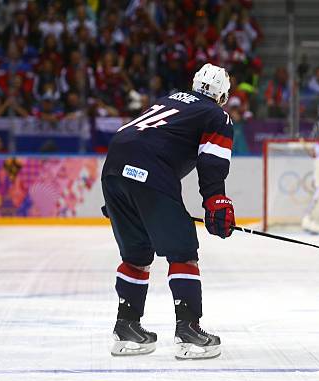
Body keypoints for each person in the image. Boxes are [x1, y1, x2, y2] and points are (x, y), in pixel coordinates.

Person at [101, 63, 235, 360]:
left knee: (136, 253)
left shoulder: (169, 99)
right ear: (223, 95)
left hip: (113, 169)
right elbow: (212, 161)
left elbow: (136, 137)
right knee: (182, 248)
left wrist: (121, 196)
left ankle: (126, 330)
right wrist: (215, 201)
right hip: (149, 172)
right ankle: (188, 331)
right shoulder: (217, 115)